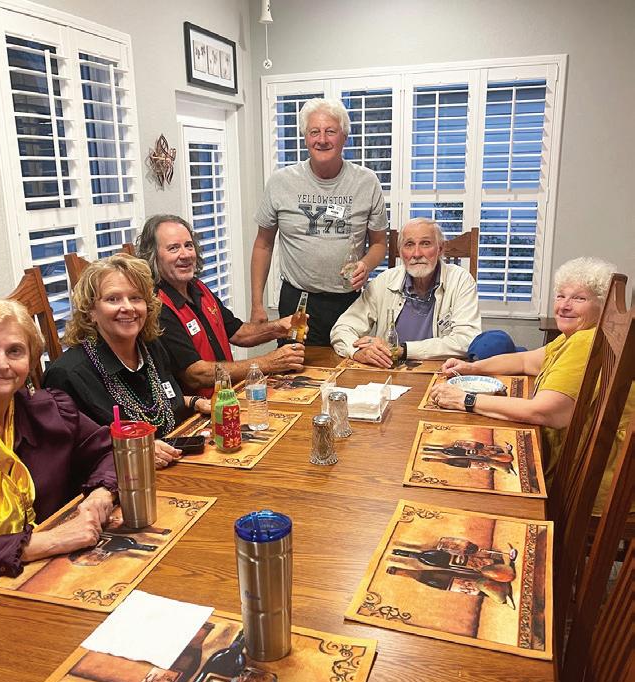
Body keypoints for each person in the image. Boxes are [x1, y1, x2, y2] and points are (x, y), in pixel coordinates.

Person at [429, 256, 632, 507]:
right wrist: (471, 367)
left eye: (579, 298)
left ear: (602, 305)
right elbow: (525, 361)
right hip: (591, 468)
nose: (564, 306)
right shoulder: (575, 336)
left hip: (591, 482)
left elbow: (544, 412)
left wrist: (465, 400)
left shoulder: (584, 342)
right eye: (560, 296)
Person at [0, 300, 117, 582]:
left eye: (15, 351)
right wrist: (42, 543)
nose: (1, 364)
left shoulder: (50, 411)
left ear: (30, 363)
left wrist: (101, 494)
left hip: (56, 574)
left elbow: (111, 451)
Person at [44, 254, 205, 469]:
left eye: (136, 298)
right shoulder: (66, 375)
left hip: (174, 462)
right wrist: (134, 451)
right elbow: (66, 457)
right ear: (91, 311)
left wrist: (195, 402)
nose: (128, 307)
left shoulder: (151, 347)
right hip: (117, 481)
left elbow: (159, 405)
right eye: (113, 299)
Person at [251, 97, 389, 346]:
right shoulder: (281, 182)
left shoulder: (367, 182)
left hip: (351, 303)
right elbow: (263, 244)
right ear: (305, 138)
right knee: (293, 368)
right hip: (298, 302)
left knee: (350, 366)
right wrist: (257, 304)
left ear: (344, 137)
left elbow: (380, 243)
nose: (322, 139)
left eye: (330, 132)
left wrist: (366, 264)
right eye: (314, 132)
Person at [136, 214, 305, 397]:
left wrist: (279, 328)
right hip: (197, 409)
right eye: (173, 248)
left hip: (228, 397)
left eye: (189, 245)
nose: (185, 255)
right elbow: (196, 374)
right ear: (153, 256)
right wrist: (268, 363)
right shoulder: (157, 305)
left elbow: (238, 332)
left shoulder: (197, 287)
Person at [330, 218, 481, 366]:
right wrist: (357, 352)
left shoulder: (461, 280)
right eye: (409, 245)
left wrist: (402, 350)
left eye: (425, 243)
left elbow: (467, 340)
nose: (417, 253)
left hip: (440, 372)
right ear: (401, 252)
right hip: (388, 372)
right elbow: (342, 328)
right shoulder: (384, 281)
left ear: (440, 249)